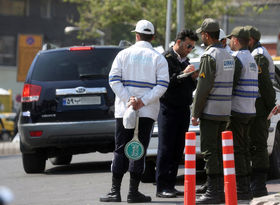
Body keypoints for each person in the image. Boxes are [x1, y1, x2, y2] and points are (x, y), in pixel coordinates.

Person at [100, 19, 169, 203]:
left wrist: (128, 99)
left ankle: (115, 191)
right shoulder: (158, 57)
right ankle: (133, 192)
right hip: (146, 112)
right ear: (153, 37)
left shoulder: (123, 54)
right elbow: (163, 85)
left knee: (120, 149)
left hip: (124, 111)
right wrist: (142, 101)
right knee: (138, 150)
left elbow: (114, 79)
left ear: (136, 35)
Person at [191, 18, 234, 204]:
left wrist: (195, 112)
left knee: (210, 151)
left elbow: (203, 88)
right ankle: (219, 190)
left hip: (211, 110)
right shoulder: (228, 55)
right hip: (225, 110)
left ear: (207, 35)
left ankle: (213, 192)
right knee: (219, 151)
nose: (201, 36)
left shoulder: (210, 56)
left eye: (202, 33)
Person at [156, 29, 199, 198]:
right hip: (168, 108)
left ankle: (171, 184)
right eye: (188, 46)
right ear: (179, 42)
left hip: (183, 108)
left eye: (192, 48)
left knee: (177, 148)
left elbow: (190, 87)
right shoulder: (166, 59)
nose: (189, 50)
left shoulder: (185, 60)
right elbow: (166, 83)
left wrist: (192, 78)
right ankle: (162, 186)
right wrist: (183, 74)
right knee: (166, 147)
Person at [226, 26, 258, 200]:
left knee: (237, 150)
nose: (230, 42)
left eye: (231, 39)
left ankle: (242, 188)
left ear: (236, 40)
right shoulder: (251, 59)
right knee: (244, 149)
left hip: (237, 109)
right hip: (249, 109)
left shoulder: (238, 59)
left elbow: (231, 83)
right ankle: (246, 187)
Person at [245, 25, 276, 198]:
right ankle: (255, 184)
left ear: (251, 40)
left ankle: (258, 185)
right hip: (256, 106)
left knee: (258, 145)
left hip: (260, 107)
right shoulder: (255, 53)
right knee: (255, 145)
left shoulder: (258, 56)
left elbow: (264, 85)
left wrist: (270, 107)